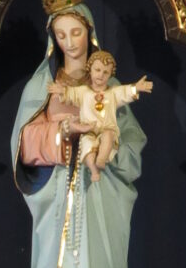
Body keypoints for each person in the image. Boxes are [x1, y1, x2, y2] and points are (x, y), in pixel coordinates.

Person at [11, 0, 145, 268]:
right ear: (53, 38)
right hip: (58, 206)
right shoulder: (42, 87)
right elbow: (23, 146)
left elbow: (132, 143)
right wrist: (62, 132)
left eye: (76, 33)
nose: (70, 42)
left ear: (90, 33)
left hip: (101, 202)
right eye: (61, 34)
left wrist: (107, 145)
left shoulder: (109, 84)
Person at [57, 50, 153, 181]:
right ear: (90, 70)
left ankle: (101, 159)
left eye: (105, 72)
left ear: (110, 75)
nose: (100, 75)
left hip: (107, 129)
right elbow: (71, 94)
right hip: (88, 130)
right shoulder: (83, 92)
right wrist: (62, 92)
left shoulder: (113, 93)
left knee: (108, 136)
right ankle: (93, 170)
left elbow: (125, 92)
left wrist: (136, 88)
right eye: (97, 70)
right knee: (87, 147)